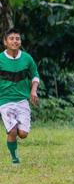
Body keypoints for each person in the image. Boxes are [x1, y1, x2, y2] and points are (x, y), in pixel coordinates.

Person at [0, 29, 40, 164]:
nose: (14, 41)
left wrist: (33, 91)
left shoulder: (27, 58)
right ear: (5, 42)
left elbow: (35, 75)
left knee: (22, 134)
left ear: (20, 42)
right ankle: (14, 158)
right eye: (11, 38)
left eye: (17, 38)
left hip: (22, 101)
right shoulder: (0, 59)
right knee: (12, 131)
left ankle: (16, 130)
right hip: (4, 100)